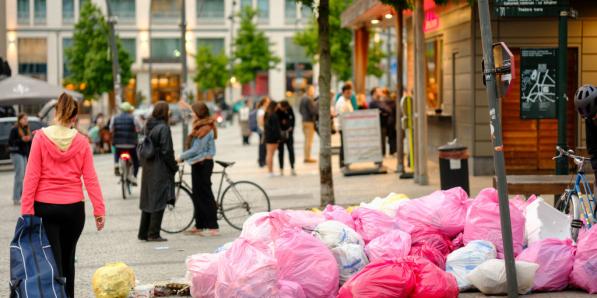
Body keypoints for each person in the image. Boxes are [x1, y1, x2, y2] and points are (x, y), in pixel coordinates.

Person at [20, 93, 106, 297]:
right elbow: (91, 179)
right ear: (75, 118)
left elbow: (31, 177)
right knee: (68, 258)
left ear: (56, 113)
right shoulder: (82, 142)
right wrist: (99, 210)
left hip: (45, 207)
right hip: (74, 209)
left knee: (51, 260)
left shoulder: (40, 137)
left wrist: (26, 211)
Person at [178, 102, 219, 236]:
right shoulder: (200, 125)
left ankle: (213, 226)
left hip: (204, 163)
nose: (192, 114)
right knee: (197, 194)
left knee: (205, 194)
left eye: (194, 112)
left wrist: (181, 157)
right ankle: (200, 224)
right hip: (197, 163)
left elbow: (197, 149)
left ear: (199, 113)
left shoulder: (206, 128)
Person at [139, 102, 178, 242]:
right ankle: (153, 233)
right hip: (159, 167)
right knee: (159, 199)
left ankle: (143, 232)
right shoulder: (164, 128)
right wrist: (174, 166)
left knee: (149, 199)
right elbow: (167, 151)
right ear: (165, 112)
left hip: (148, 166)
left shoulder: (148, 124)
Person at [574, 84, 597, 196]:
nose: (593, 119)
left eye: (594, 116)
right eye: (590, 117)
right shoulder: (590, 119)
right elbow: (592, 146)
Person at [110, 102, 141, 184]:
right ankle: (134, 176)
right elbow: (139, 128)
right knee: (135, 160)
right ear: (129, 110)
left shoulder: (114, 118)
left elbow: (110, 128)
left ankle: (116, 164)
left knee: (117, 152)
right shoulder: (134, 118)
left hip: (118, 143)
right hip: (131, 144)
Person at [8, 113, 32, 205]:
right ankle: (16, 198)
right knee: (19, 175)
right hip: (16, 154)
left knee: (25, 177)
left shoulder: (27, 129)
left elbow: (29, 144)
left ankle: (22, 196)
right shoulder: (14, 129)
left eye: (27, 119)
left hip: (24, 154)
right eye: (24, 119)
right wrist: (22, 140)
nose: (26, 120)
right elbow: (10, 142)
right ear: (20, 120)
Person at [369, 87, 392, 157]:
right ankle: (380, 155)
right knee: (379, 142)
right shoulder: (373, 102)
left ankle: (383, 155)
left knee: (383, 141)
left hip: (383, 124)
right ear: (374, 93)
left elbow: (388, 110)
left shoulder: (380, 101)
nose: (380, 93)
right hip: (377, 125)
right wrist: (383, 111)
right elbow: (384, 109)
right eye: (378, 91)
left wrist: (383, 111)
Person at [335, 84, 355, 168]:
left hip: (348, 126)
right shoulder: (341, 102)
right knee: (344, 145)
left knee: (345, 145)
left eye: (350, 92)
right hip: (344, 127)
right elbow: (342, 115)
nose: (349, 94)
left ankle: (345, 162)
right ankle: (342, 163)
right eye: (347, 92)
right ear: (343, 92)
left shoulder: (347, 100)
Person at [299, 86, 318, 163]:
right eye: (312, 90)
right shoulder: (309, 99)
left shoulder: (302, 98)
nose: (313, 92)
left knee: (306, 140)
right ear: (308, 90)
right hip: (309, 121)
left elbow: (299, 110)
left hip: (304, 121)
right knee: (309, 140)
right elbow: (313, 111)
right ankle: (308, 157)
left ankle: (306, 156)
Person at [277, 100, 296, 176]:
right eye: (283, 108)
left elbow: (293, 119)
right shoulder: (277, 110)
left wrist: (291, 127)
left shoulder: (289, 109)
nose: (284, 110)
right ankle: (281, 169)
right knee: (280, 152)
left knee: (291, 150)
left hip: (289, 133)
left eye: (285, 108)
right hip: (280, 134)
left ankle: (292, 167)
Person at [264, 101, 282, 176]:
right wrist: (278, 137)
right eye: (277, 106)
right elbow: (276, 128)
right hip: (273, 137)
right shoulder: (273, 115)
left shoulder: (267, 114)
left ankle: (270, 171)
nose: (278, 107)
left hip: (268, 136)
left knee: (269, 154)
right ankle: (270, 171)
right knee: (270, 154)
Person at [257, 97, 270, 167]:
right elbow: (261, 121)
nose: (269, 103)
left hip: (263, 130)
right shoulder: (261, 111)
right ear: (264, 103)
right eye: (268, 102)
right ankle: (261, 161)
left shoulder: (263, 110)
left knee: (264, 146)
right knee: (262, 146)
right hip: (262, 130)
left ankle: (263, 160)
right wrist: (265, 129)